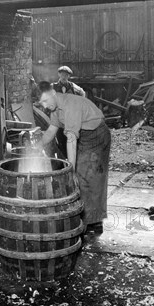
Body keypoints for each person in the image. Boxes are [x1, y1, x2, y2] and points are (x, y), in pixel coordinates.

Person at [36, 81, 111, 233]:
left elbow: (71, 139)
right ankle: (89, 218)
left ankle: (93, 221)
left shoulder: (70, 105)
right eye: (41, 103)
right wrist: (36, 147)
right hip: (85, 135)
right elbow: (51, 131)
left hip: (97, 135)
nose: (44, 106)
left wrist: (71, 169)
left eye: (45, 100)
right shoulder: (56, 109)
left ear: (53, 94)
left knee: (88, 177)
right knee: (85, 176)